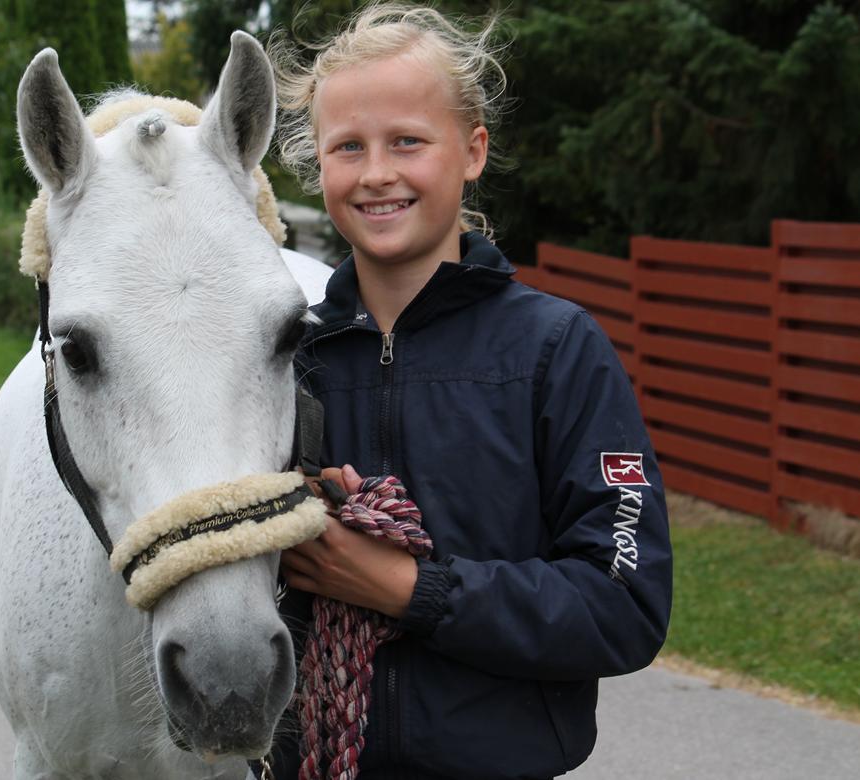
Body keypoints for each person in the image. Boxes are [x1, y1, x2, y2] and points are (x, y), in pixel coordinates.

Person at [264, 4, 673, 779]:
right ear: (319, 168)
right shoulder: (288, 359)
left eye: (407, 142)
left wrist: (409, 587)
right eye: (348, 146)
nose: (378, 172)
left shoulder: (555, 349)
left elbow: (624, 604)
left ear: (472, 151)